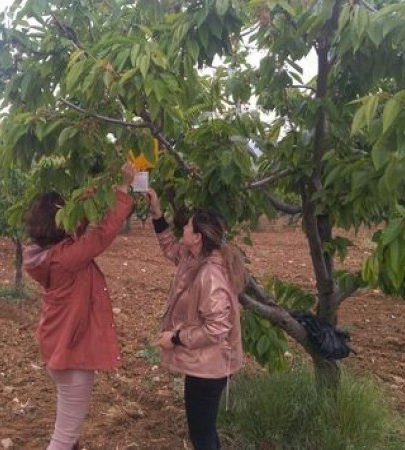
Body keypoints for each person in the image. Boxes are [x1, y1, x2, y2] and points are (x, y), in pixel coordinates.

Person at [23, 162, 136, 450]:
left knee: (70, 436)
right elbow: (100, 235)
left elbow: (80, 222)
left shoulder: (44, 254)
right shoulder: (67, 258)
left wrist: (101, 184)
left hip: (58, 349)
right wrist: (122, 189)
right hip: (72, 355)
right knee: (62, 440)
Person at [146, 189, 248, 450]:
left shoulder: (210, 276)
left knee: (202, 437)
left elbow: (216, 329)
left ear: (197, 237)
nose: (184, 227)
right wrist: (156, 212)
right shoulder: (194, 258)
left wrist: (177, 338)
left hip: (209, 369)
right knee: (205, 432)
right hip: (205, 365)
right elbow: (170, 248)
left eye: (188, 226)